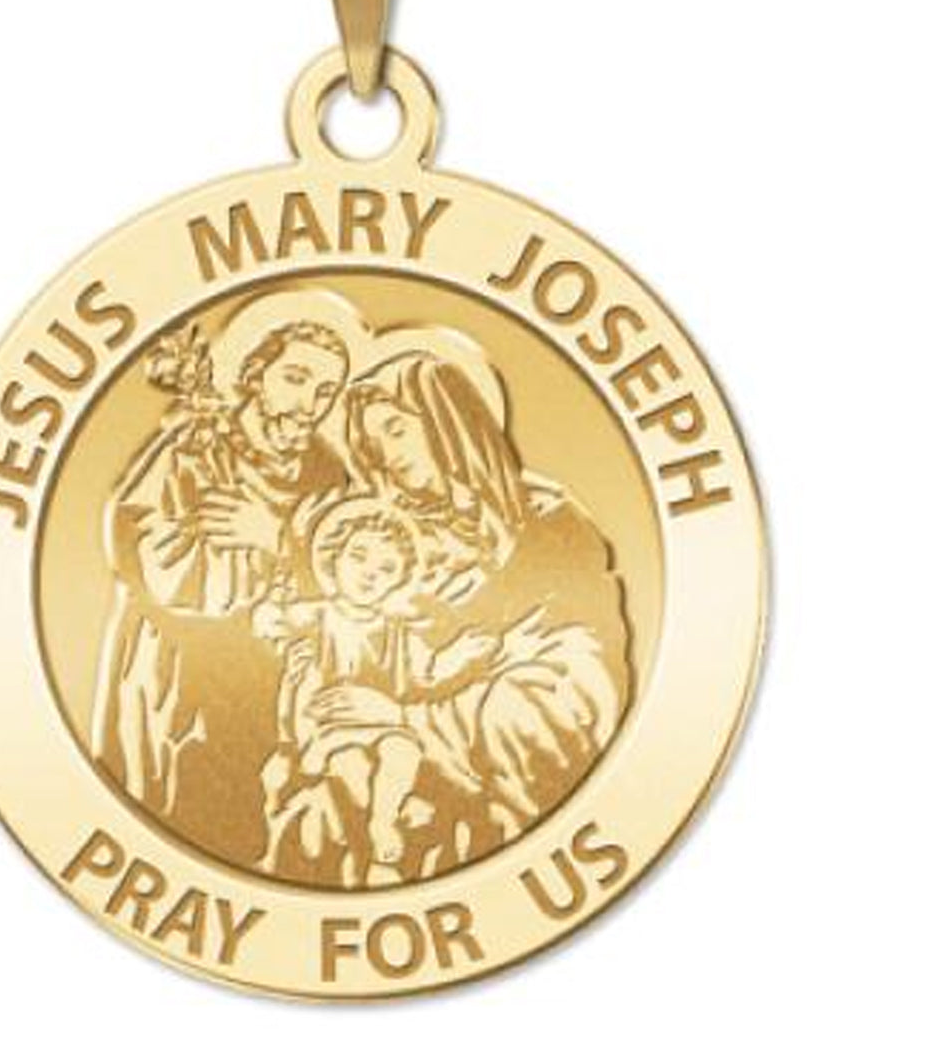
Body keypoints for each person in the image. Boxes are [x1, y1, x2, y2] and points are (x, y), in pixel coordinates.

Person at [304, 351, 631, 873]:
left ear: (446, 419)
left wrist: (406, 716)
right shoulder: (389, 549)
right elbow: (382, 660)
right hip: (421, 723)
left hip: (522, 713)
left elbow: (582, 647)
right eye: (373, 442)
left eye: (397, 429)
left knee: (513, 708)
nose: (387, 454)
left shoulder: (547, 517)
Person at [89, 315, 349, 864]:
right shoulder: (192, 449)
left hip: (271, 673)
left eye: (326, 391)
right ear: (256, 376)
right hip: (181, 666)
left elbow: (348, 571)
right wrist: (217, 575)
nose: (309, 405)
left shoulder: (326, 471)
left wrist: (276, 538)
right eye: (295, 379)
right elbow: (139, 538)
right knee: (178, 807)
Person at [253, 497, 499, 883]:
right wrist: (274, 605)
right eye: (359, 557)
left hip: (382, 725)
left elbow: (427, 672)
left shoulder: (396, 632)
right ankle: (385, 827)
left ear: (399, 580)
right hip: (325, 726)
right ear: (332, 559)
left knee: (402, 749)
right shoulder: (319, 615)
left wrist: (458, 652)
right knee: (349, 761)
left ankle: (383, 819)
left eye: (386, 569)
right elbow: (270, 623)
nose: (370, 574)